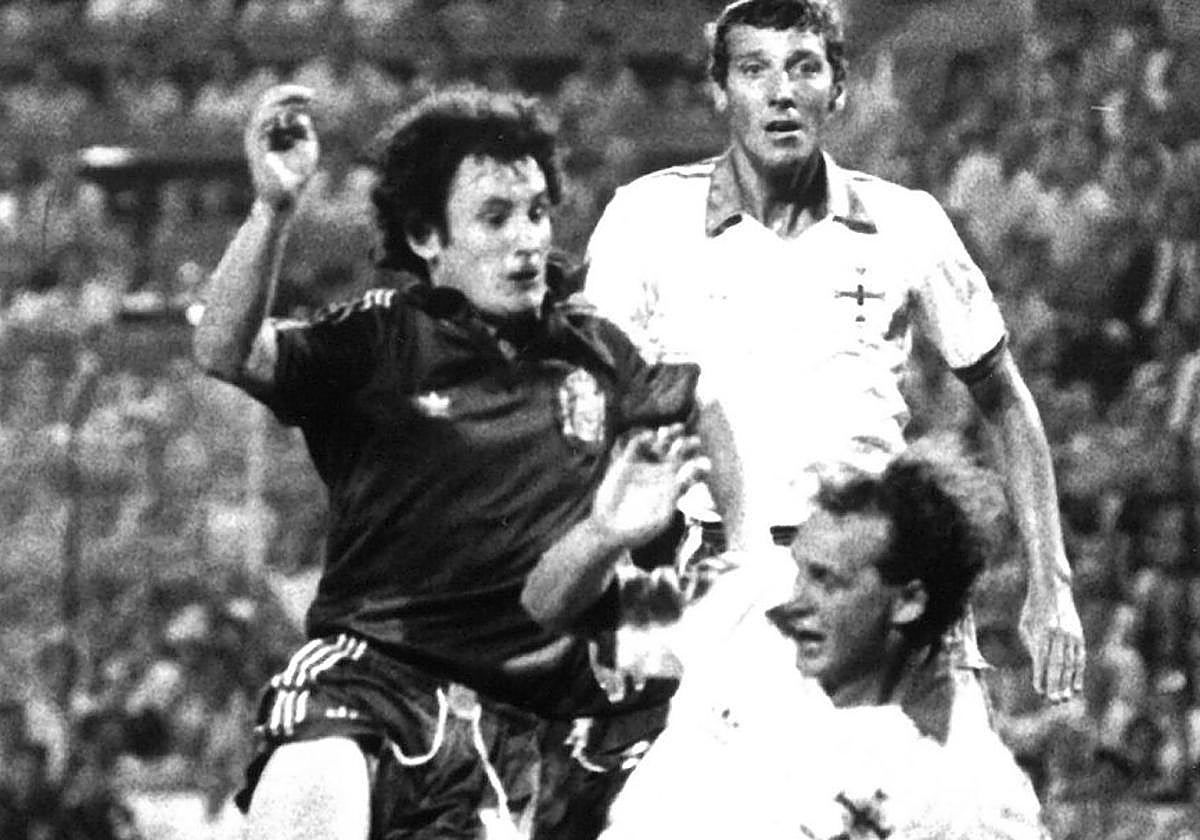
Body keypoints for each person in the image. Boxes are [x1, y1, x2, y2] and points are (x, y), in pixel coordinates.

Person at [192, 83, 708, 840]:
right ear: (426, 236)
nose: (527, 240)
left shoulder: (599, 354)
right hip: (375, 677)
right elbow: (223, 350)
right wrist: (272, 209)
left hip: (533, 715)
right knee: (309, 775)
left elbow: (682, 473)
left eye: (537, 212)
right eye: (494, 218)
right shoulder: (380, 339)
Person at [582, 0, 1084, 703]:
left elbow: (1005, 398)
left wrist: (1052, 584)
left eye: (803, 68)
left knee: (934, 777)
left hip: (886, 571)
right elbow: (590, 410)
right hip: (718, 575)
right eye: (754, 70)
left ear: (839, 88)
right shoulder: (646, 219)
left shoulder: (908, 223)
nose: (781, 92)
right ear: (719, 90)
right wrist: (607, 578)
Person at [601, 443, 1047, 839]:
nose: (796, 601)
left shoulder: (968, 785)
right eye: (803, 570)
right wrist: (603, 535)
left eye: (828, 580)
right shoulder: (753, 596)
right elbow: (580, 612)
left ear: (908, 601)